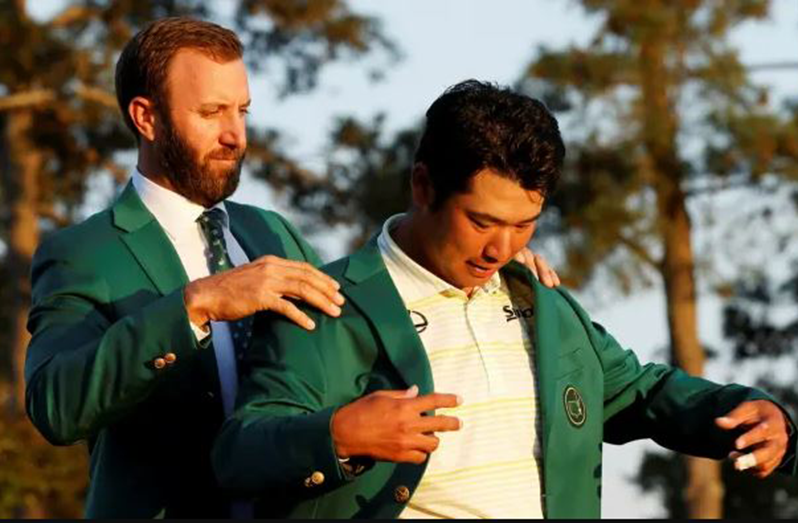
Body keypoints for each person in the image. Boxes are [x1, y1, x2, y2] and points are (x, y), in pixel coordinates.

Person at [24, 19, 557, 519]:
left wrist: (488, 246)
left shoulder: (273, 232)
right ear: (146, 117)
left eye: (242, 111)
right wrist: (196, 305)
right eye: (211, 113)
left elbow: (355, 313)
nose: (235, 135)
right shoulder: (84, 251)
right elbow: (55, 405)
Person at [212, 80, 797, 519]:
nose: (501, 247)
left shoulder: (544, 303)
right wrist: (337, 434)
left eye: (525, 225)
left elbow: (638, 392)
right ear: (423, 186)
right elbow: (239, 454)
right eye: (482, 220)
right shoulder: (328, 306)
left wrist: (754, 412)